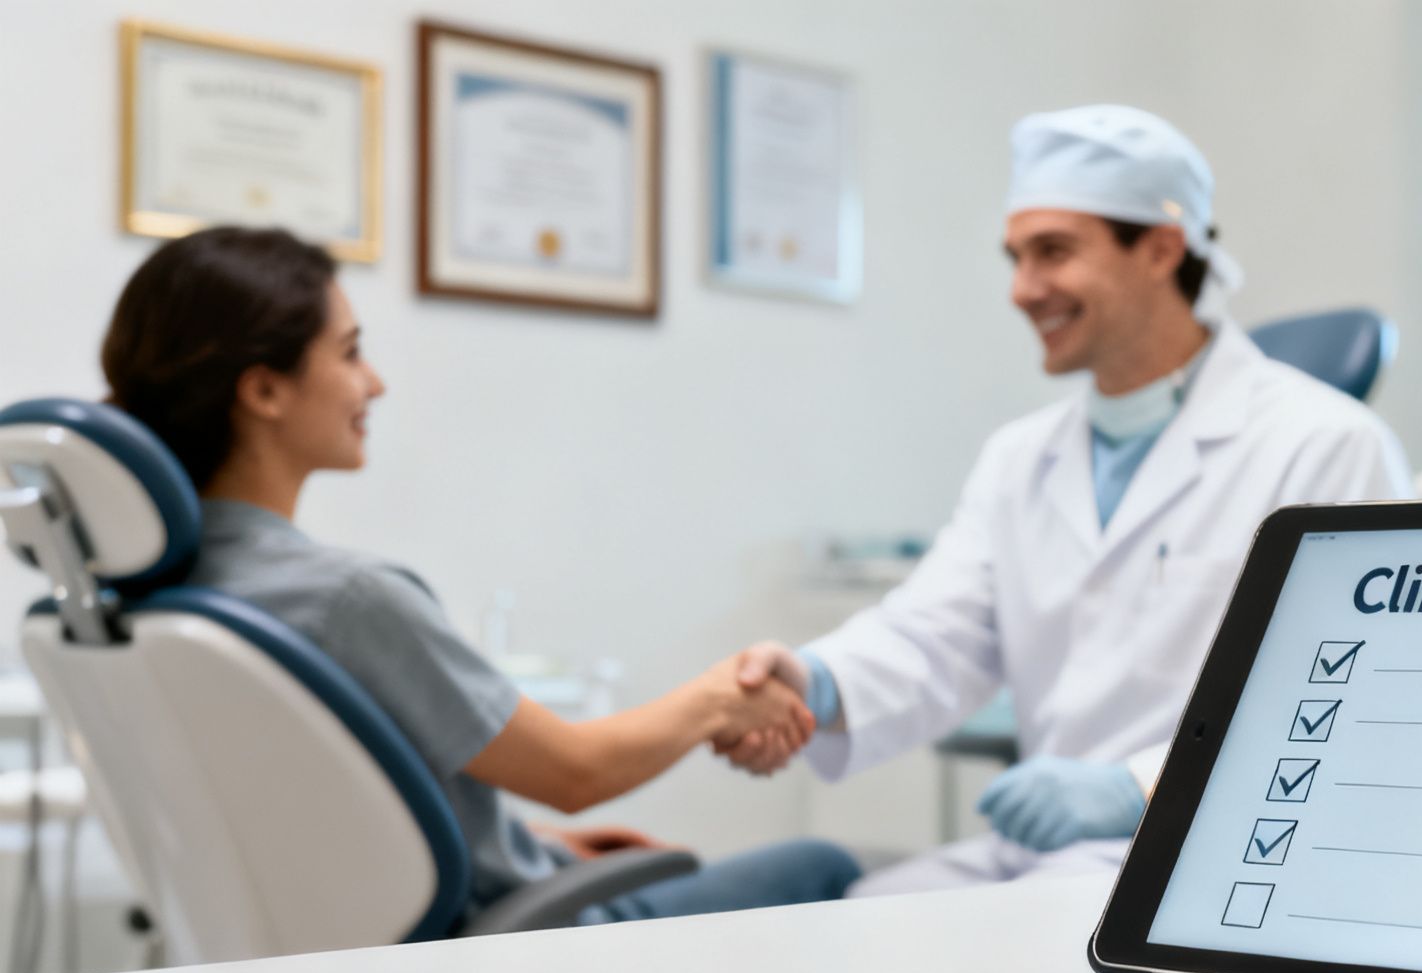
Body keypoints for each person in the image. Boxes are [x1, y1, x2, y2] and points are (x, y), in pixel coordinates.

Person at [720, 105, 1412, 894]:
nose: (1022, 289)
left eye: (1053, 252)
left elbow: (1356, 692)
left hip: (1213, 863)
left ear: (1160, 248)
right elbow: (934, 634)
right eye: (1015, 257)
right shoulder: (1021, 458)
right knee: (849, 923)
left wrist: (1142, 788)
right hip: (1041, 857)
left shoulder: (1323, 445)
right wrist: (814, 681)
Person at [100, 226, 860, 923]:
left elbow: (309, 814)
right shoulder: (344, 601)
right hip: (503, 947)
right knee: (827, 864)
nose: (375, 384)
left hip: (357, 946)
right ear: (264, 389)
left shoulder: (148, 600)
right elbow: (576, 771)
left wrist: (528, 843)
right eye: (351, 353)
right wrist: (724, 697)